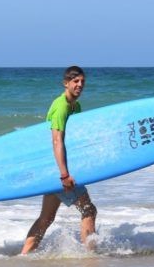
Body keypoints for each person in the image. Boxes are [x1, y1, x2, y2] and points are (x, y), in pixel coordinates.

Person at [21, 66, 97, 254]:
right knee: (88, 210)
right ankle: (90, 255)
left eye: (82, 82)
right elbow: (57, 140)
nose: (80, 85)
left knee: (46, 219)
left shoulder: (75, 106)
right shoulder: (61, 106)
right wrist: (64, 175)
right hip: (58, 170)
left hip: (53, 169)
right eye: (76, 81)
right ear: (66, 83)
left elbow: (73, 140)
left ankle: (23, 256)